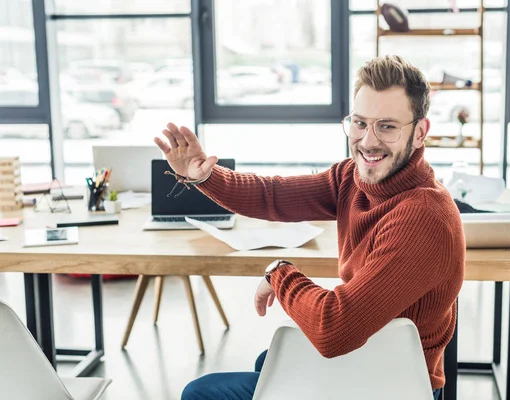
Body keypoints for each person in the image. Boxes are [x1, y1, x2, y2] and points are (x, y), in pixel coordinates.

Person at [154, 55, 465, 400]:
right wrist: (206, 176)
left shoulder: (423, 217)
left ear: (420, 132)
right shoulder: (352, 177)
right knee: (268, 361)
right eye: (360, 123)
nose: (368, 141)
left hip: (391, 385)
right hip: (369, 358)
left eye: (387, 126)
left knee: (200, 393)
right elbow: (273, 196)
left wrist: (280, 273)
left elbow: (334, 329)